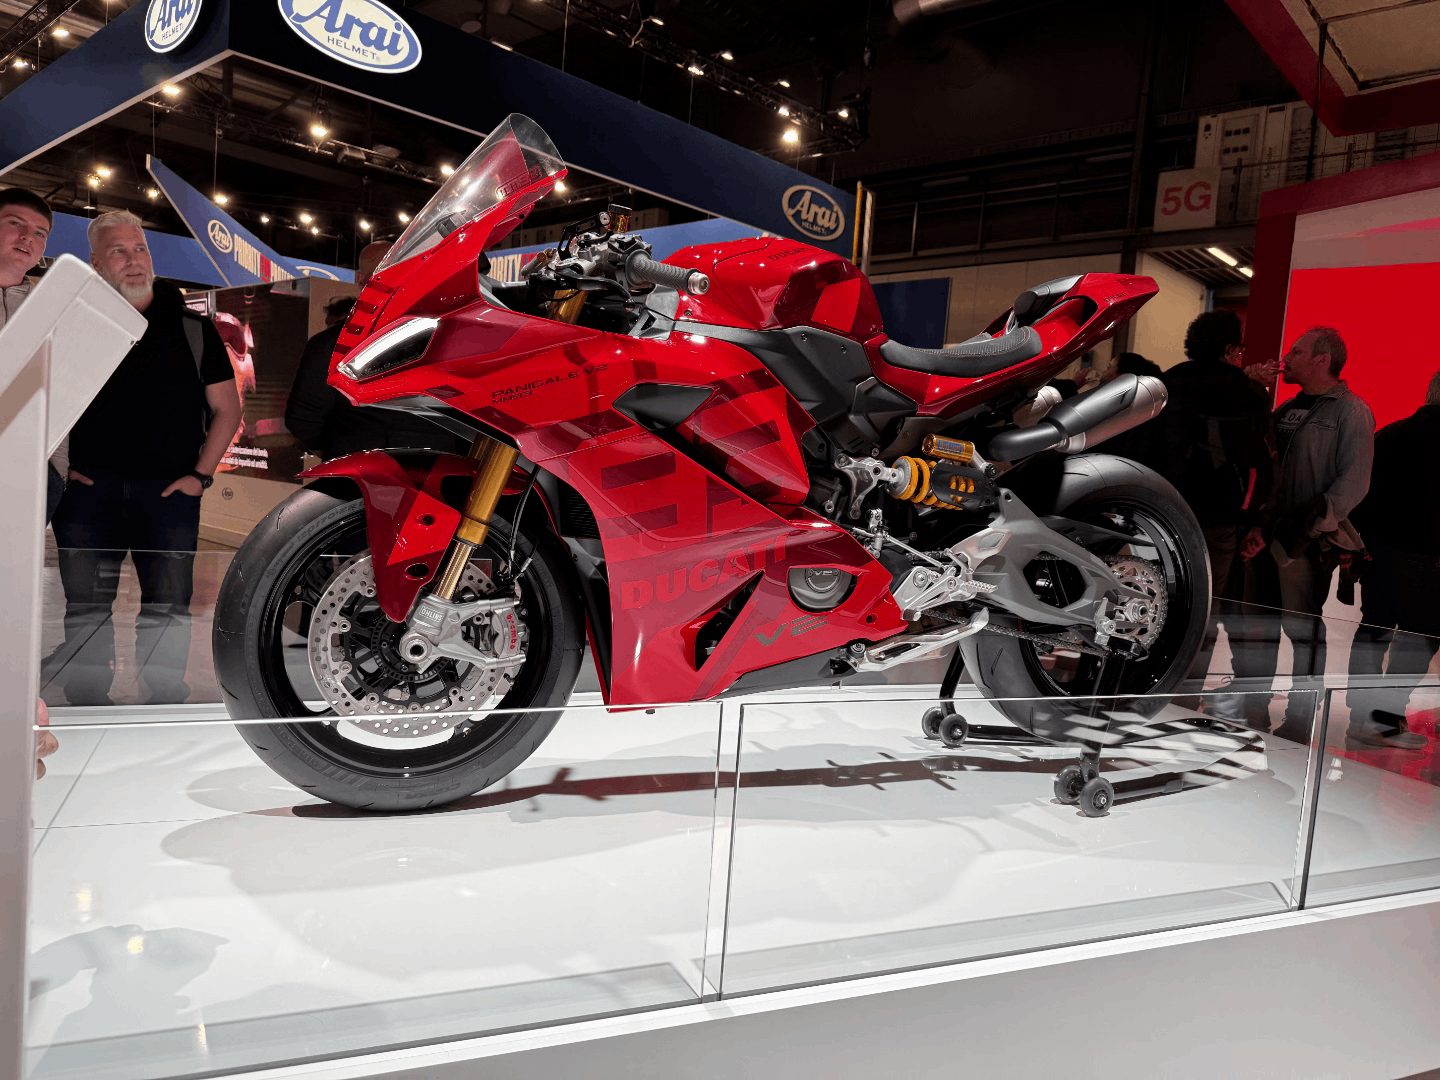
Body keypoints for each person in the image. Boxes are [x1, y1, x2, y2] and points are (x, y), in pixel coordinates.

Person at [47, 211, 241, 705]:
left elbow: (228, 408)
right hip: (88, 495)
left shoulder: (193, 329)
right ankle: (88, 699)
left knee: (169, 607)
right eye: (118, 251)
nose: (133, 260)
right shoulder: (74, 324)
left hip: (170, 495)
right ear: (96, 262)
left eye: (140, 249)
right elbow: (43, 399)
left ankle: (164, 699)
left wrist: (200, 476)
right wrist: (59, 466)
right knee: (85, 607)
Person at [1233, 327, 1374, 741]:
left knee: (1302, 629)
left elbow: (1353, 483)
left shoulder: (1351, 411)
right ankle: (1252, 708)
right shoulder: (1286, 408)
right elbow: (1259, 458)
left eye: (1296, 351)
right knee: (1256, 626)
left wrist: (1310, 527)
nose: (1286, 358)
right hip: (1264, 533)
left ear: (1321, 359)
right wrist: (1251, 390)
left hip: (1305, 540)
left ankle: (1301, 716)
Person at [1141, 313, 1273, 698]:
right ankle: (1186, 691)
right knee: (1205, 607)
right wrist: (1253, 520)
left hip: (1160, 514)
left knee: (1155, 598)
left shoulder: (1167, 383)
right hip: (1218, 519)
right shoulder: (1247, 393)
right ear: (1230, 349)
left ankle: (1147, 683)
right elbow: (1258, 465)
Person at [286, 242, 461, 459]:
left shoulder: (331, 345)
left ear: (361, 280)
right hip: (436, 467)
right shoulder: (451, 340)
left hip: (358, 468)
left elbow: (303, 420)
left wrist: (336, 448)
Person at [1344, 370, 1440, 748]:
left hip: (1380, 552)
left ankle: (1362, 718)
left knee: (1373, 631)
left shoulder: (1390, 435)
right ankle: (1384, 719)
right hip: (1428, 557)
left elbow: (1360, 496)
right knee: (1419, 641)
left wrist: (1363, 544)